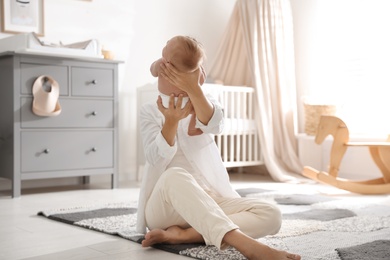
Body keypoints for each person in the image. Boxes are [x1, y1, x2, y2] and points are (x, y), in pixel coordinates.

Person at [137, 35, 301, 260]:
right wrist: (171, 121)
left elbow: (216, 124)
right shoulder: (150, 109)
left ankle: (185, 236)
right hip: (166, 206)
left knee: (271, 214)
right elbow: (155, 157)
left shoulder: (205, 100)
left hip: (209, 199)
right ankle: (245, 244)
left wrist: (194, 89)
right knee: (175, 175)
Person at [150, 35, 206, 136]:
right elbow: (200, 83)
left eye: (167, 45)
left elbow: (153, 71)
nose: (166, 43)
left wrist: (155, 65)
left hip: (166, 101)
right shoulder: (194, 72)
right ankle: (193, 128)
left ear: (168, 58)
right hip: (187, 103)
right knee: (196, 109)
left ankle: (167, 130)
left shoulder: (162, 64)